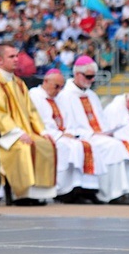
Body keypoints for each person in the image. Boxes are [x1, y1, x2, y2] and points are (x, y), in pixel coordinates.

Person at [56, 55, 129, 205]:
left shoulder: (91, 95)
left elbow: (102, 121)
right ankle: (112, 194)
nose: (92, 80)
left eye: (93, 76)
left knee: (128, 145)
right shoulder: (65, 95)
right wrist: (91, 133)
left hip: (99, 135)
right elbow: (67, 124)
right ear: (77, 74)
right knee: (114, 146)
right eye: (89, 76)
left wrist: (108, 131)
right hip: (83, 136)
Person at [0, 43, 56, 205]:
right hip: (1, 135)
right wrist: (18, 134)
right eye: (11, 57)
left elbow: (31, 111)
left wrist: (41, 131)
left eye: (17, 56)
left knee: (45, 144)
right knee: (22, 148)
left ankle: (35, 194)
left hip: (22, 132)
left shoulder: (19, 83)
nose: (16, 59)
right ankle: (20, 194)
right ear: (0, 60)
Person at [30, 69, 101, 204]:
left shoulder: (59, 97)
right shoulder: (34, 96)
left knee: (83, 145)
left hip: (62, 135)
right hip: (48, 136)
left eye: (61, 87)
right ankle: (62, 191)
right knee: (67, 147)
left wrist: (69, 132)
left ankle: (80, 189)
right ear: (45, 81)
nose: (59, 90)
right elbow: (39, 122)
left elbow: (68, 119)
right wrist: (60, 134)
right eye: (56, 86)